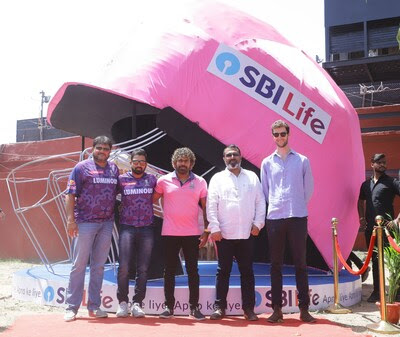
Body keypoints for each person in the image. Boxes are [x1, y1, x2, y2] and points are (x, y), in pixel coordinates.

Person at [260, 119, 316, 323]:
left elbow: (307, 189)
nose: (280, 137)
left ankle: (304, 309)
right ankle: (277, 309)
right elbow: (265, 191)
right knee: (275, 264)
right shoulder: (266, 162)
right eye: (276, 134)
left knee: (301, 263)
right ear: (272, 136)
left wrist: (297, 204)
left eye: (283, 134)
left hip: (297, 216)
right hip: (275, 217)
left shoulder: (302, 160)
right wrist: (277, 205)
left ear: (288, 134)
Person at [207, 144, 266, 321]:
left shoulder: (252, 177)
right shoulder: (217, 178)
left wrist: (258, 224)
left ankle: (248, 309)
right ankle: (219, 308)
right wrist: (215, 228)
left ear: (241, 156)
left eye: (235, 154)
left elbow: (260, 202)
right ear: (224, 158)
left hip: (246, 234)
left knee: (247, 272)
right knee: (223, 272)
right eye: (228, 155)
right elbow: (211, 205)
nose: (232, 157)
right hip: (223, 234)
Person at [63, 136, 119, 322]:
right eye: (99, 148)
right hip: (85, 222)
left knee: (98, 267)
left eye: (106, 149)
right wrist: (71, 221)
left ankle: (94, 306)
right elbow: (70, 195)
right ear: (92, 148)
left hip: (106, 223)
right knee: (79, 265)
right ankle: (72, 307)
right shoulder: (81, 168)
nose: (102, 151)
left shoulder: (114, 168)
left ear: (110, 151)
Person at [153, 147, 209, 320]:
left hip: (192, 233)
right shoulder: (163, 181)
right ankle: (168, 307)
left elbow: (206, 208)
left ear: (191, 163)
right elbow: (149, 201)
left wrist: (206, 231)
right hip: (170, 232)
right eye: (179, 160)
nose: (182, 163)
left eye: (185, 161)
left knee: (193, 271)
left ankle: (194, 308)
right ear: (174, 162)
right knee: (169, 271)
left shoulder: (200, 181)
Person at [115, 149, 157, 318]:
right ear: (130, 163)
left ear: (146, 164)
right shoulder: (122, 180)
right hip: (127, 227)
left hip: (147, 227)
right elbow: (110, 196)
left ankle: (137, 303)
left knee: (143, 268)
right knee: (124, 267)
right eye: (136, 161)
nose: (138, 164)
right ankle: (123, 303)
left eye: (142, 161)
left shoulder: (152, 180)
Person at [358, 153, 400, 302]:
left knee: (393, 261)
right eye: (379, 162)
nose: (383, 164)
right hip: (372, 230)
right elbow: (360, 200)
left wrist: (397, 220)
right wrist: (362, 218)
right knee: (375, 260)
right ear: (372, 164)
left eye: (384, 162)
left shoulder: (391, 182)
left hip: (389, 230)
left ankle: (397, 291)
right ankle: (377, 291)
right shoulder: (365, 185)